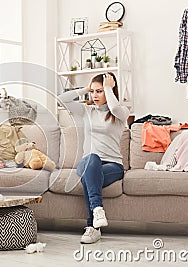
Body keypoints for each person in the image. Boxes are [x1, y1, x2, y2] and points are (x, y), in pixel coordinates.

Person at [58, 72, 129, 244]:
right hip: (88, 161)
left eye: (100, 91)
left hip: (113, 166)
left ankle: (92, 227)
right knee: (92, 160)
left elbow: (114, 108)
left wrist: (108, 88)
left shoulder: (121, 114)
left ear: (109, 91)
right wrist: (85, 89)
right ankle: (97, 210)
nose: (94, 95)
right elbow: (61, 99)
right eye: (93, 91)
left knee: (88, 178)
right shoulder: (86, 111)